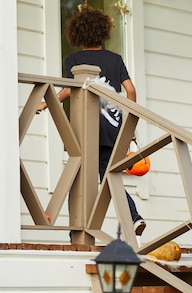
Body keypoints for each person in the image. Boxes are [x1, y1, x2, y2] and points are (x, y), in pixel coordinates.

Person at [37, 4, 145, 235]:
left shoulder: (74, 59)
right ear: (103, 32)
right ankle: (134, 217)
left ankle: (75, 229)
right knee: (110, 178)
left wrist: (46, 103)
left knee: (77, 178)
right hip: (113, 129)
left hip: (84, 131)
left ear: (77, 34)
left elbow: (67, 91)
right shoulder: (115, 59)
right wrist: (129, 124)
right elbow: (131, 91)